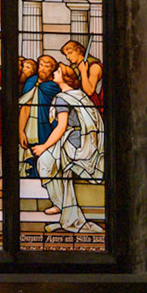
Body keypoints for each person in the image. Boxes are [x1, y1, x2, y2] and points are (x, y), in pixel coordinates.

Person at [31, 64, 104, 233]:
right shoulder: (79, 95)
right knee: (53, 165)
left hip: (74, 146)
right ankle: (65, 209)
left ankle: (63, 207)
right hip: (86, 144)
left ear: (65, 76)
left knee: (45, 161)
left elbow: (61, 127)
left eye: (57, 71)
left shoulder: (63, 98)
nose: (54, 73)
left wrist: (43, 147)